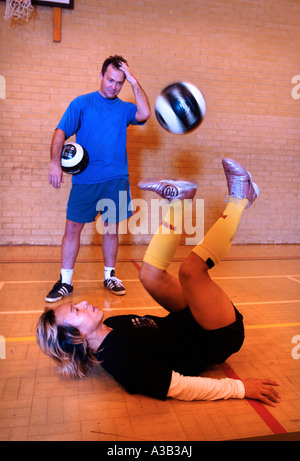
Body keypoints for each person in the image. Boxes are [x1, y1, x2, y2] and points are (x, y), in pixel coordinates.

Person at [37, 158, 281, 406]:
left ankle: (180, 202)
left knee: (149, 275)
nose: (84, 303)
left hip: (190, 323)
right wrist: (239, 388)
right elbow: (180, 386)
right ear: (77, 335)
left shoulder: (110, 324)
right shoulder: (121, 361)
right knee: (191, 271)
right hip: (216, 338)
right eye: (75, 310)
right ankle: (241, 198)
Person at [45, 55, 151, 302]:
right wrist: (54, 162)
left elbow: (145, 113)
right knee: (72, 228)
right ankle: (65, 281)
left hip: (115, 180)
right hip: (85, 180)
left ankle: (110, 275)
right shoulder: (81, 104)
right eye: (110, 80)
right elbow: (60, 131)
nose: (113, 86)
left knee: (111, 230)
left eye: (119, 83)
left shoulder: (125, 109)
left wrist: (134, 81)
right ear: (101, 76)